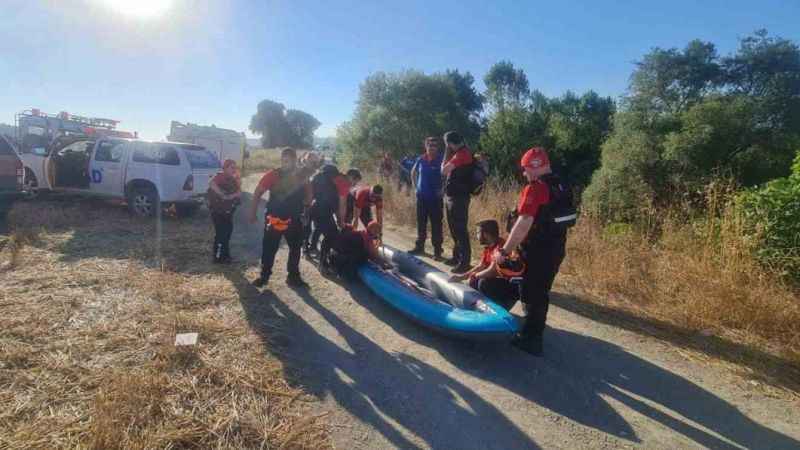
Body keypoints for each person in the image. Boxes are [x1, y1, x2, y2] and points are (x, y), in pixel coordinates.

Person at [493, 147, 571, 356]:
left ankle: (531, 339)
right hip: (556, 248)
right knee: (541, 290)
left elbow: (524, 222)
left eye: (526, 169)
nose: (524, 174)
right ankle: (532, 332)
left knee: (532, 293)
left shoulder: (536, 188)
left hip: (536, 250)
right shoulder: (561, 184)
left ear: (535, 167)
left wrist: (505, 250)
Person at [248, 147, 312, 288]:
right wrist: (252, 213)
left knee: (295, 248)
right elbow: (258, 192)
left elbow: (309, 194)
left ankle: (293, 277)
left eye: (288, 161)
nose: (285, 164)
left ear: (295, 160)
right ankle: (264, 276)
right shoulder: (273, 175)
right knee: (269, 248)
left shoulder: (302, 176)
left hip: (294, 219)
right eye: (283, 161)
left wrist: (306, 207)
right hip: (274, 219)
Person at [450, 219, 521, 304]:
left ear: (486, 234)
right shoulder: (489, 247)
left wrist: (474, 276)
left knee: (482, 282)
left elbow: (492, 270)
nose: (476, 236)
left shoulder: (501, 247)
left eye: (478, 233)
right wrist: (461, 277)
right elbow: (481, 266)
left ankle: (498, 306)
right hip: (500, 283)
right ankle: (478, 304)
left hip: (512, 288)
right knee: (475, 280)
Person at [441, 130, 474, 274]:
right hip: (453, 196)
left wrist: (445, 153)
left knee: (460, 230)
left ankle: (464, 263)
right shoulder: (460, 153)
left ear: (449, 143)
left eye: (447, 145)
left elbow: (443, 170)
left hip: (459, 198)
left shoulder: (463, 154)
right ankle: (457, 257)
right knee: (454, 228)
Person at [306, 164, 352, 263]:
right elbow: (342, 205)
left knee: (315, 230)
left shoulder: (318, 177)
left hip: (315, 208)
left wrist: (306, 208)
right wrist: (341, 221)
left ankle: (308, 249)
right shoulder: (343, 183)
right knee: (331, 235)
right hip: (322, 211)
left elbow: (310, 194)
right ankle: (323, 262)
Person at [409, 137, 444, 260]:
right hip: (421, 198)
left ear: (437, 147)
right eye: (429, 145)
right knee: (421, 223)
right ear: (426, 146)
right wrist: (415, 188)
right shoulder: (421, 159)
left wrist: (443, 189)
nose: (432, 147)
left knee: (436, 225)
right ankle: (419, 247)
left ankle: (437, 251)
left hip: (435, 199)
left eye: (434, 145)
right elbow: (413, 172)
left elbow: (448, 175)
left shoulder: (441, 159)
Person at [323, 220, 391, 279]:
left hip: (338, 248)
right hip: (345, 254)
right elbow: (372, 255)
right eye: (376, 232)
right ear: (373, 230)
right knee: (363, 256)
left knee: (358, 254)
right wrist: (384, 264)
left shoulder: (360, 232)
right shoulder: (367, 238)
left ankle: (337, 264)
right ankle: (344, 272)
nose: (376, 234)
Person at [208, 159, 241, 264]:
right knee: (221, 234)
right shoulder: (220, 176)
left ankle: (226, 256)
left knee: (227, 233)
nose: (234, 170)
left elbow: (239, 193)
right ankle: (217, 257)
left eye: (235, 168)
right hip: (217, 211)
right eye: (232, 167)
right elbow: (211, 183)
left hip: (228, 212)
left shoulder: (233, 179)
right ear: (225, 168)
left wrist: (234, 191)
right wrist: (223, 195)